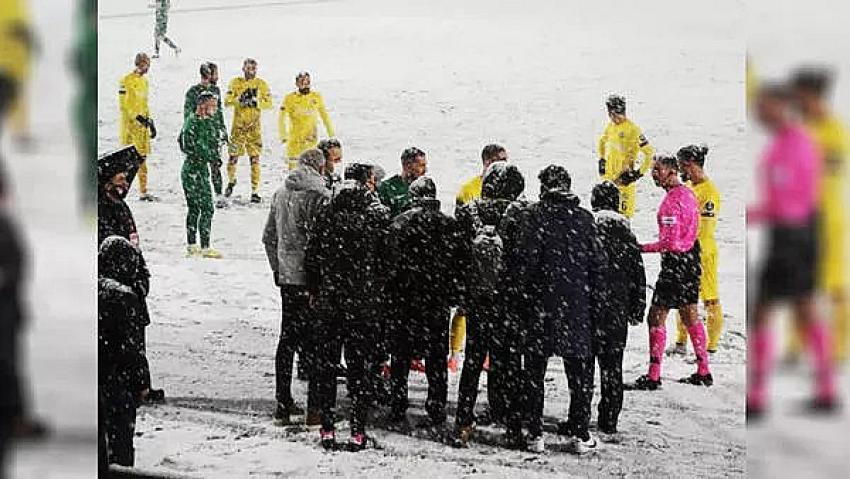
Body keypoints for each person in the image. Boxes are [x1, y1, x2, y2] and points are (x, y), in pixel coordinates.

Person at [747, 83, 837, 419]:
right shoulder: (786, 142)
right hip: (795, 234)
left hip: (794, 236)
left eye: (765, 107)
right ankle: (825, 388)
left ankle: (757, 397)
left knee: (769, 309)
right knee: (802, 307)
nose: (759, 114)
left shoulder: (796, 145)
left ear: (783, 106)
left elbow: (791, 204)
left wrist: (759, 213)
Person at [306, 163, 390, 451]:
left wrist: (316, 289)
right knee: (360, 371)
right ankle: (357, 430)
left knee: (327, 368)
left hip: (330, 304)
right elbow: (384, 264)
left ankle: (327, 428)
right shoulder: (371, 223)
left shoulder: (326, 220)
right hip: (362, 306)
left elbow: (312, 258)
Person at [519, 165, 603, 454]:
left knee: (533, 372)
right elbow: (597, 266)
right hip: (576, 306)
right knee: (580, 374)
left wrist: (526, 298)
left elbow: (525, 265)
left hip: (541, 306)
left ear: (544, 188)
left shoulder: (534, 217)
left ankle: (534, 433)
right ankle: (579, 433)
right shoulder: (584, 219)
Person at [385, 176, 467, 439]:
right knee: (435, 357)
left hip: (404, 300)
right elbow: (459, 263)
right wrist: (454, 293)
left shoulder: (400, 223)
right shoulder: (449, 225)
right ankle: (436, 405)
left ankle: (398, 404)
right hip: (436, 301)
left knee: (400, 355)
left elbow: (389, 263)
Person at [450, 162, 524, 448]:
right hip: (508, 301)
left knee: (473, 361)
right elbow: (524, 261)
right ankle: (513, 424)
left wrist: (463, 293)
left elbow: (457, 256)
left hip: (479, 299)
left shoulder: (470, 212)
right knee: (509, 363)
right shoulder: (520, 215)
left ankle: (463, 421)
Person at [626, 155, 711, 391]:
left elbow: (670, 243)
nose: (654, 174)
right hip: (692, 259)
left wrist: (640, 248)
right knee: (690, 315)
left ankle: (654, 375)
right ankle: (704, 370)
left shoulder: (671, 203)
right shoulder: (688, 194)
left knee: (655, 317)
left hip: (676, 264)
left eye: (658, 170)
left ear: (672, 171)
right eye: (653, 170)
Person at [785, 66, 850, 365]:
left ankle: (840, 345)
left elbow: (827, 172)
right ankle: (797, 343)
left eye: (802, 96)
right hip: (799, 216)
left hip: (828, 216)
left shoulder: (834, 130)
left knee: (834, 282)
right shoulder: (800, 128)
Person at [262, 148, 331, 424]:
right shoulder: (318, 196)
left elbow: (268, 237)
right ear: (320, 168)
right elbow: (319, 242)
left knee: (287, 339)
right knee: (314, 342)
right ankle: (315, 408)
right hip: (310, 279)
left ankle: (283, 399)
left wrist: (278, 269)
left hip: (287, 279)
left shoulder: (280, 194)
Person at [97, 146, 165, 403]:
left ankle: (140, 385)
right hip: (116, 286)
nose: (126, 181)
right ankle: (129, 386)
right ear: (108, 179)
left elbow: (133, 246)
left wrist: (141, 276)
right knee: (122, 340)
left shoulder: (122, 207)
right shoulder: (101, 208)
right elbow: (109, 249)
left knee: (136, 337)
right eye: (121, 177)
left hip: (132, 282)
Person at [589, 181, 646, 435]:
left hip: (590, 308)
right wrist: (636, 308)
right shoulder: (627, 234)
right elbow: (638, 276)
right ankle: (609, 418)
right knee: (613, 366)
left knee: (584, 365)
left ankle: (578, 414)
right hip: (617, 310)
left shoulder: (589, 230)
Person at [449, 144, 509, 373]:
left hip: (495, 260)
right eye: (499, 160)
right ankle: (454, 353)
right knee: (464, 310)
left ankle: (485, 358)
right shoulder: (468, 189)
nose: (504, 163)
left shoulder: (509, 186)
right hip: (475, 259)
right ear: (486, 162)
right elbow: (461, 225)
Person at [98, 236, 151, 467]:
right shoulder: (124, 298)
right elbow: (132, 350)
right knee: (120, 444)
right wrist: (142, 384)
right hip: (117, 384)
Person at [669, 146, 724, 356]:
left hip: (703, 251)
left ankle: (711, 347)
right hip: (687, 250)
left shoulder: (709, 192)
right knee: (684, 297)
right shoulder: (690, 187)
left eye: (681, 165)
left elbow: (705, 228)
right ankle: (681, 342)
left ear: (690, 164)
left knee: (710, 299)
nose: (680, 170)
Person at [597, 94, 655, 218]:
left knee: (623, 218)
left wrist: (637, 174)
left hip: (624, 183)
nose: (613, 118)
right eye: (610, 114)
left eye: (616, 114)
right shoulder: (611, 127)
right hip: (610, 181)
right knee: (607, 218)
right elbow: (602, 142)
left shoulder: (633, 130)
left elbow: (649, 153)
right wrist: (602, 160)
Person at [180, 91, 222, 258]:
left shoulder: (208, 122)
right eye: (213, 105)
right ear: (203, 105)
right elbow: (189, 146)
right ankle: (200, 245)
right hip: (192, 170)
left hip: (201, 170)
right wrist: (208, 155)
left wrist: (215, 155)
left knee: (199, 207)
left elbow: (212, 143)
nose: (215, 109)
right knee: (202, 207)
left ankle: (196, 244)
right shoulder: (191, 123)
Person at [224, 58, 272, 203]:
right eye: (248, 68)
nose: (251, 71)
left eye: (253, 68)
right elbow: (227, 101)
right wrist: (240, 100)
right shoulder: (235, 82)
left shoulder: (261, 84)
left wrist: (256, 102)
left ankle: (255, 190)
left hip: (254, 129)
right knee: (233, 157)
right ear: (243, 68)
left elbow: (269, 103)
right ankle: (231, 181)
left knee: (255, 159)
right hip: (237, 128)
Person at [183, 62, 228, 207]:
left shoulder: (216, 90)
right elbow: (188, 114)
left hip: (213, 133)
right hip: (200, 133)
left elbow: (219, 111)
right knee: (199, 163)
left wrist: (222, 129)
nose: (218, 76)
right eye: (216, 73)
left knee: (215, 163)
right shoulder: (193, 92)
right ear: (208, 74)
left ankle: (218, 193)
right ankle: (199, 192)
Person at [118, 53, 157, 201]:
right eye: (147, 64)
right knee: (128, 161)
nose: (148, 67)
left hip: (142, 128)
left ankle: (143, 190)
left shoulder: (145, 82)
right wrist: (138, 117)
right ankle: (120, 190)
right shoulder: (126, 81)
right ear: (140, 64)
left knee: (142, 159)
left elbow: (144, 104)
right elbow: (124, 105)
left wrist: (150, 121)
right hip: (130, 128)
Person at [278, 72, 335, 171]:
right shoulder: (290, 98)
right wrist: (283, 135)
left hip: (311, 140)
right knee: (295, 172)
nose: (305, 85)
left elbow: (324, 115)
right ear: (297, 84)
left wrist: (331, 133)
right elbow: (281, 118)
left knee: (311, 169)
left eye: (307, 82)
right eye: (302, 82)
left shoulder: (316, 97)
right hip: (295, 142)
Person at [377, 147, 428, 217]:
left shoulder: (425, 187)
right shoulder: (386, 187)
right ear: (407, 166)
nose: (425, 170)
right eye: (421, 166)